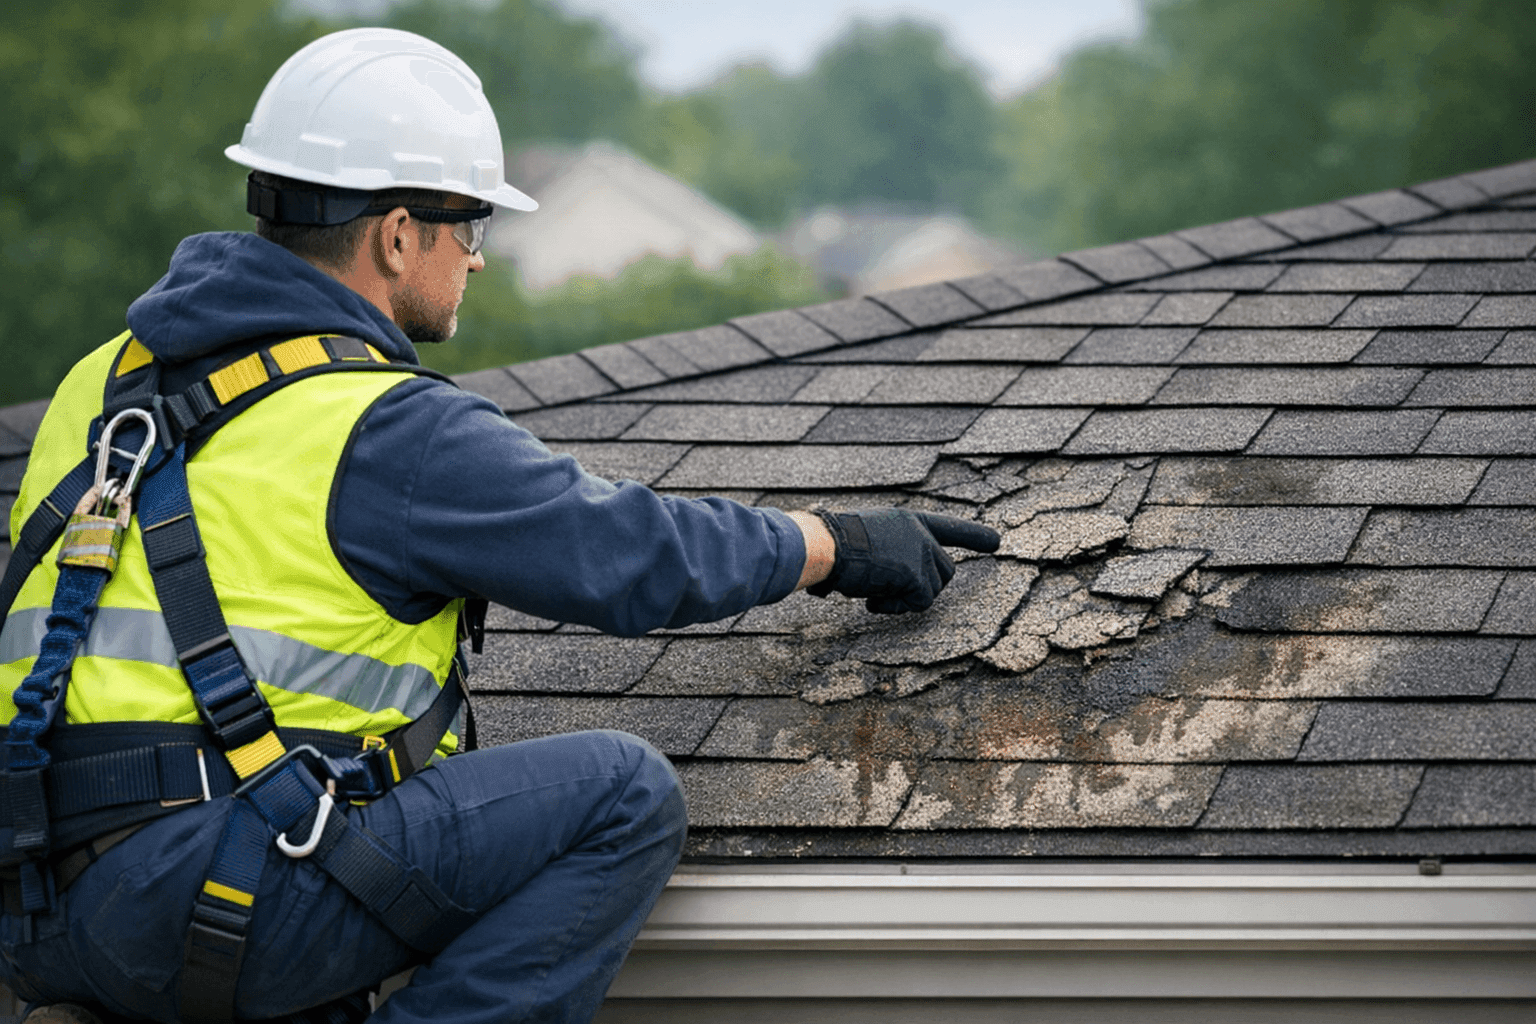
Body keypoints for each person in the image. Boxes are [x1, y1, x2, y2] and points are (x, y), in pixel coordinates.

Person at [0, 27, 999, 1024]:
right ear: (398, 235)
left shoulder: (99, 381)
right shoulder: (382, 425)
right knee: (622, 796)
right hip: (209, 900)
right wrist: (836, 544)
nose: (478, 261)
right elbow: (624, 553)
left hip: (36, 904)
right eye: (471, 225)